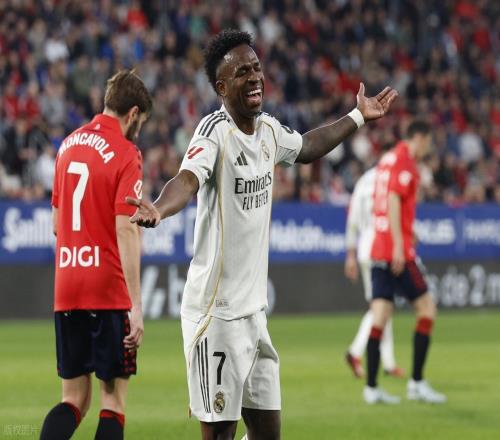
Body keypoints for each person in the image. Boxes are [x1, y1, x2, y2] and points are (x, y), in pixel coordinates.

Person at [127, 29, 397, 439]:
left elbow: (306, 147)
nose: (254, 76)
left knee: (269, 433)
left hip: (254, 315)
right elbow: (187, 179)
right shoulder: (214, 132)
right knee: (220, 434)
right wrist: (159, 209)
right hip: (216, 315)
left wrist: (357, 116)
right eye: (241, 72)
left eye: (256, 68)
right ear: (221, 88)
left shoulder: (268, 130)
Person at [40, 70, 152, 440]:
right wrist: (136, 305)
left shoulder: (67, 145)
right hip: (107, 288)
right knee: (112, 402)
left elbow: (57, 225)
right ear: (133, 114)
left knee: (73, 399)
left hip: (67, 285)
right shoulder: (126, 153)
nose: (138, 131)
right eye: (141, 123)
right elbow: (126, 228)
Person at [363, 120, 447, 404]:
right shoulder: (405, 162)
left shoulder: (387, 159)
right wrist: (400, 243)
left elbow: (382, 200)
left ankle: (371, 388)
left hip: (379, 247)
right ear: (419, 138)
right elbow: (394, 199)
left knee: (380, 317)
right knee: (427, 310)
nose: (428, 148)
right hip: (396, 251)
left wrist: (405, 233)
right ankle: (417, 383)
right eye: (428, 142)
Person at [344, 166, 404, 379]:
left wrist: (350, 254)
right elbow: (394, 214)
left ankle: (389, 362)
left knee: (384, 304)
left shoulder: (363, 181)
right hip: (380, 246)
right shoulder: (391, 179)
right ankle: (355, 352)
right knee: (381, 305)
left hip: (364, 247)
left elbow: (352, 220)